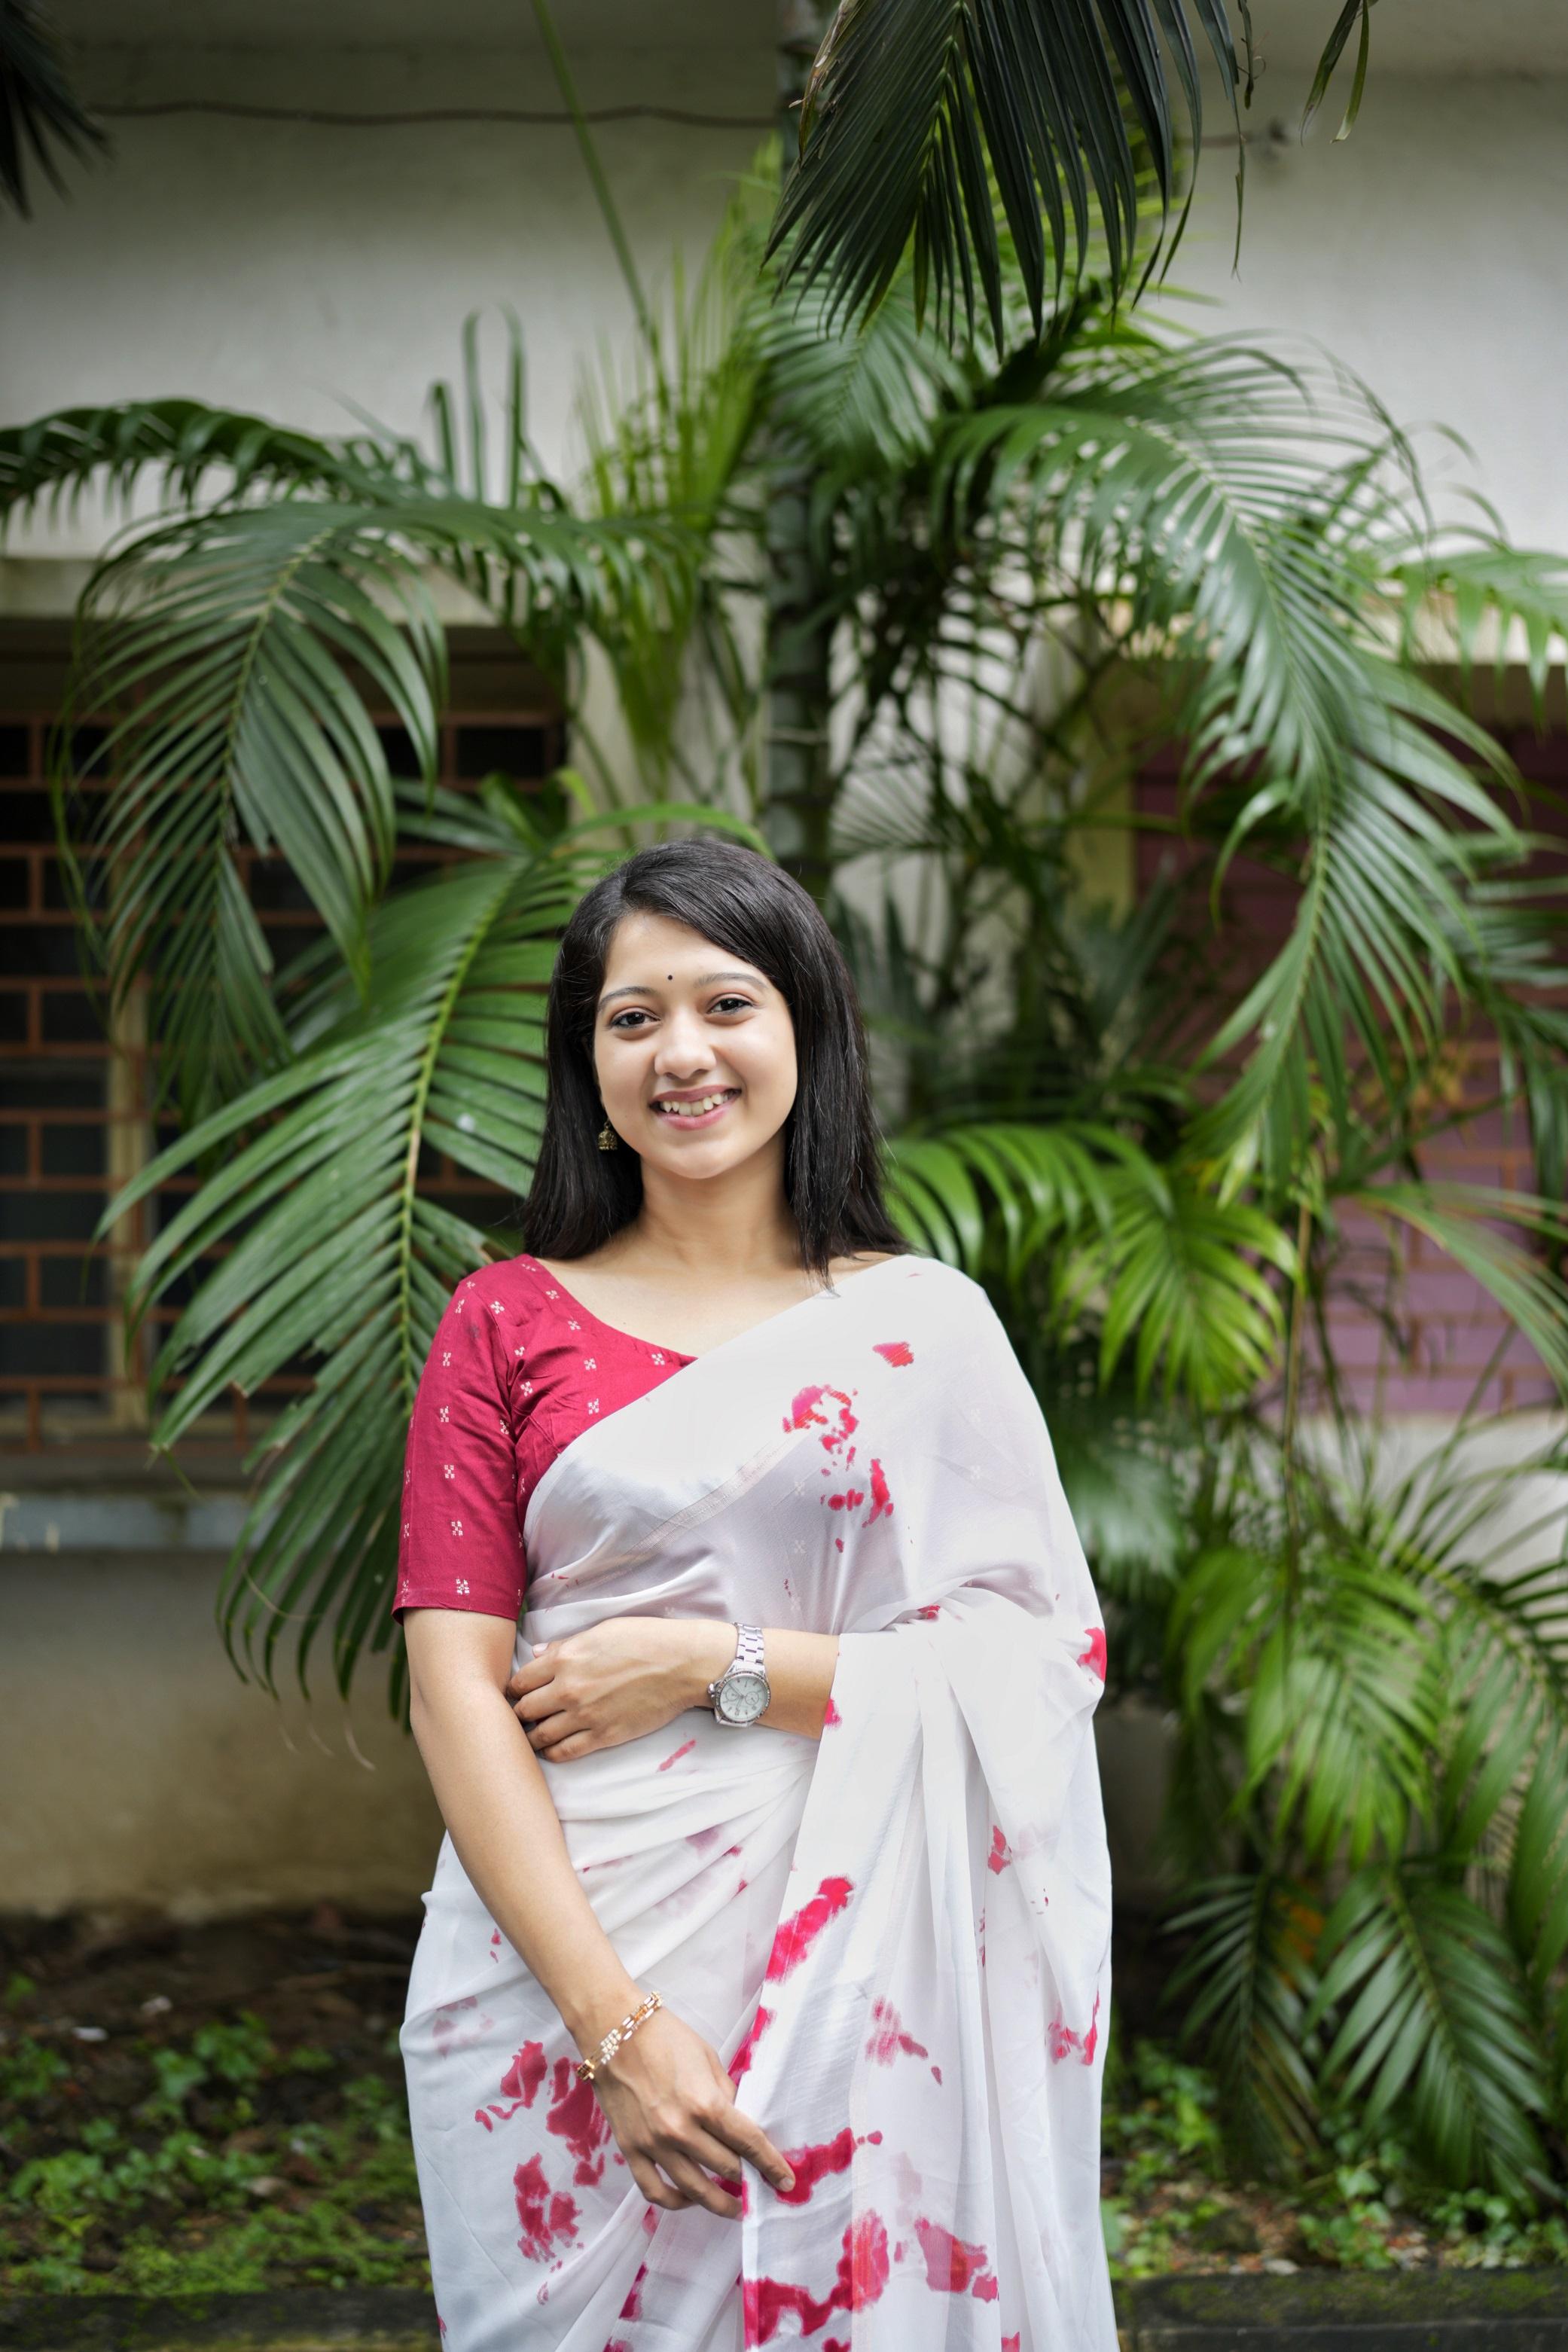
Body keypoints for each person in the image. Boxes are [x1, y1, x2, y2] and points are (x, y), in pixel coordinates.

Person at [394, 837, 1118, 2351]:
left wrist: (708, 1661)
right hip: (557, 1958)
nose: (683, 1050)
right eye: (631, 1015)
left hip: (863, 1958)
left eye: (726, 1001)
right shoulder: (501, 1319)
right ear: (588, 1065)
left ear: (804, 1030)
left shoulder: (923, 1328)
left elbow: (1043, 1652)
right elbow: (455, 1685)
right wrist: (618, 2028)